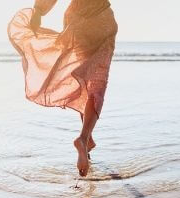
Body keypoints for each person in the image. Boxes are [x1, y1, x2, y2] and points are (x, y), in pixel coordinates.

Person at [8, 0, 117, 176]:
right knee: (97, 84)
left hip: (76, 20)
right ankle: (83, 138)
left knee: (84, 79)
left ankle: (87, 141)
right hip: (101, 19)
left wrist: (38, 11)